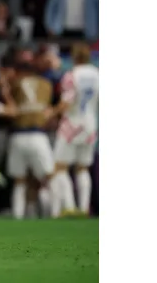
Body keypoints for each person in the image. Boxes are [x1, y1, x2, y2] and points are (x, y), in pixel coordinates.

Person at [51, 43, 98, 217]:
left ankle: (70, 206)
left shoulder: (71, 75)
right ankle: (84, 208)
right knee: (83, 168)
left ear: (74, 57)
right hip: (90, 124)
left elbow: (66, 102)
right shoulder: (98, 75)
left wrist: (51, 112)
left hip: (71, 125)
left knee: (60, 166)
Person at [6, 60, 57, 220]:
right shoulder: (46, 84)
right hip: (38, 135)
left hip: (18, 135)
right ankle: (53, 214)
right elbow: (47, 109)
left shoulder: (14, 83)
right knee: (47, 178)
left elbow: (11, 108)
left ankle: (18, 216)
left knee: (19, 181)